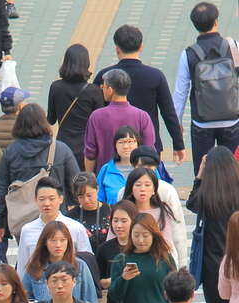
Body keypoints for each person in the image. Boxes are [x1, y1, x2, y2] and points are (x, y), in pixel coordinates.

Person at [93, 24, 187, 164]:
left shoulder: (105, 76)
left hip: (113, 146)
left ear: (117, 49)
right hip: (148, 146)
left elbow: (95, 110)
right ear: (141, 46)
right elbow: (169, 113)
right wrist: (178, 144)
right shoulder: (155, 76)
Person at [0, 105, 81, 254]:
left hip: (22, 219)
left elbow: (2, 189)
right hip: (56, 216)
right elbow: (76, 183)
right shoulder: (60, 149)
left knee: (28, 258)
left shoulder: (11, 152)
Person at [172, 2, 239, 176]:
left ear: (194, 25)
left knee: (202, 173)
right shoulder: (234, 47)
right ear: (216, 21)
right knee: (234, 171)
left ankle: (203, 200)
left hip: (202, 123)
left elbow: (180, 92)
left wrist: (176, 123)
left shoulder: (188, 54)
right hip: (232, 120)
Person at [192, 146, 239, 303]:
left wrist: (200, 175)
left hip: (212, 266)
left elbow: (191, 204)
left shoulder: (206, 195)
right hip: (235, 260)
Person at [14, 177, 93, 278]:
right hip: (38, 285)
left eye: (51, 199)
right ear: (35, 200)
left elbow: (87, 261)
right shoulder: (27, 230)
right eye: (42, 199)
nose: (47, 203)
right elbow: (22, 266)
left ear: (60, 199)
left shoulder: (75, 228)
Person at [48, 43, 108, 168]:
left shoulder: (56, 87)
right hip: (87, 147)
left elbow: (51, 119)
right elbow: (100, 123)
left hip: (63, 145)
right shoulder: (94, 91)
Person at [83, 68, 156, 173]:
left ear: (110, 90)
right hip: (136, 177)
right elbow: (149, 150)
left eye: (104, 86)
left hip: (107, 177)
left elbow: (90, 153)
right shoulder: (142, 116)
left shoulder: (97, 116)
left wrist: (91, 177)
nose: (101, 88)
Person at [21, 221, 98, 303]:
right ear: (45, 242)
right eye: (53, 240)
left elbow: (91, 300)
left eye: (63, 240)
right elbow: (24, 300)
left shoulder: (80, 266)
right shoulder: (35, 267)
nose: (58, 245)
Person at [122, 167, 185, 266]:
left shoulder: (162, 211)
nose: (143, 189)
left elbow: (166, 243)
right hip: (128, 262)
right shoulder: (123, 211)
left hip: (157, 263)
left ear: (154, 190)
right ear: (131, 188)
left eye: (147, 185)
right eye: (138, 185)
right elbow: (113, 240)